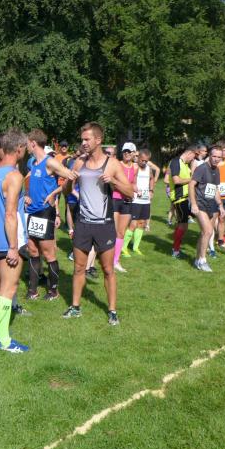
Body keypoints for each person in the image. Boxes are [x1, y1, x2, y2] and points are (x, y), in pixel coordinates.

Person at [62, 122, 132, 325]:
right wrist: (69, 181)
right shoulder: (78, 163)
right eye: (82, 139)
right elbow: (66, 192)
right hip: (83, 223)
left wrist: (114, 182)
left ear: (98, 140)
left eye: (87, 139)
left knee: (108, 269)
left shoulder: (112, 164)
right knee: (78, 268)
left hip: (104, 224)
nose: (83, 143)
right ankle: (75, 307)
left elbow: (130, 192)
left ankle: (112, 311)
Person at [0, 129, 30, 353]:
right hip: (9, 241)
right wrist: (13, 247)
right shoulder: (14, 176)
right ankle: (5, 340)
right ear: (19, 149)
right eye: (24, 148)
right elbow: (10, 214)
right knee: (9, 288)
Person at [24, 129, 76, 301]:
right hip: (32, 211)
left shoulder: (50, 162)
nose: (26, 146)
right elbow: (29, 180)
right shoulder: (33, 162)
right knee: (32, 250)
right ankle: (33, 290)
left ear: (33, 143)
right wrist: (27, 194)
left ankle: (53, 291)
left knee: (48, 253)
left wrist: (55, 193)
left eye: (27, 143)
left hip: (45, 211)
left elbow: (70, 176)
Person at [189, 147, 225, 272]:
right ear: (209, 155)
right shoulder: (202, 168)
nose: (216, 159)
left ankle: (197, 260)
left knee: (204, 233)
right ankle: (203, 261)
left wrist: (220, 205)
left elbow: (215, 189)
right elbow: (191, 184)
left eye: (219, 157)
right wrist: (193, 204)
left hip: (209, 204)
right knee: (208, 231)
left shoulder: (217, 170)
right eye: (214, 156)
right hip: (199, 204)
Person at [122, 148, 154, 257]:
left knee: (142, 223)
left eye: (146, 161)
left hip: (145, 200)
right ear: (138, 158)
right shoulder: (135, 167)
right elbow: (131, 181)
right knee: (133, 224)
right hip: (135, 200)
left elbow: (152, 179)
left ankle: (135, 247)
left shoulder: (149, 168)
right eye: (142, 160)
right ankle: (124, 248)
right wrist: (135, 189)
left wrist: (151, 190)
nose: (144, 162)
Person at [112, 142, 136, 272]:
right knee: (112, 231)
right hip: (115, 199)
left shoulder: (135, 168)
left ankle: (116, 261)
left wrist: (135, 189)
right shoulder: (117, 165)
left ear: (133, 153)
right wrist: (127, 190)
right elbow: (112, 183)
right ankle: (106, 257)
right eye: (125, 151)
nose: (126, 153)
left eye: (129, 151)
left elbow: (133, 183)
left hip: (127, 201)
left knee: (121, 232)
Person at [168, 149, 196, 258]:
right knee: (183, 225)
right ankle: (175, 251)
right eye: (193, 157)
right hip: (179, 198)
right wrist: (192, 179)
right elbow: (176, 180)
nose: (192, 159)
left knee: (183, 224)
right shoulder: (176, 162)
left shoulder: (185, 165)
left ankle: (175, 248)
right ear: (189, 153)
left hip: (186, 198)